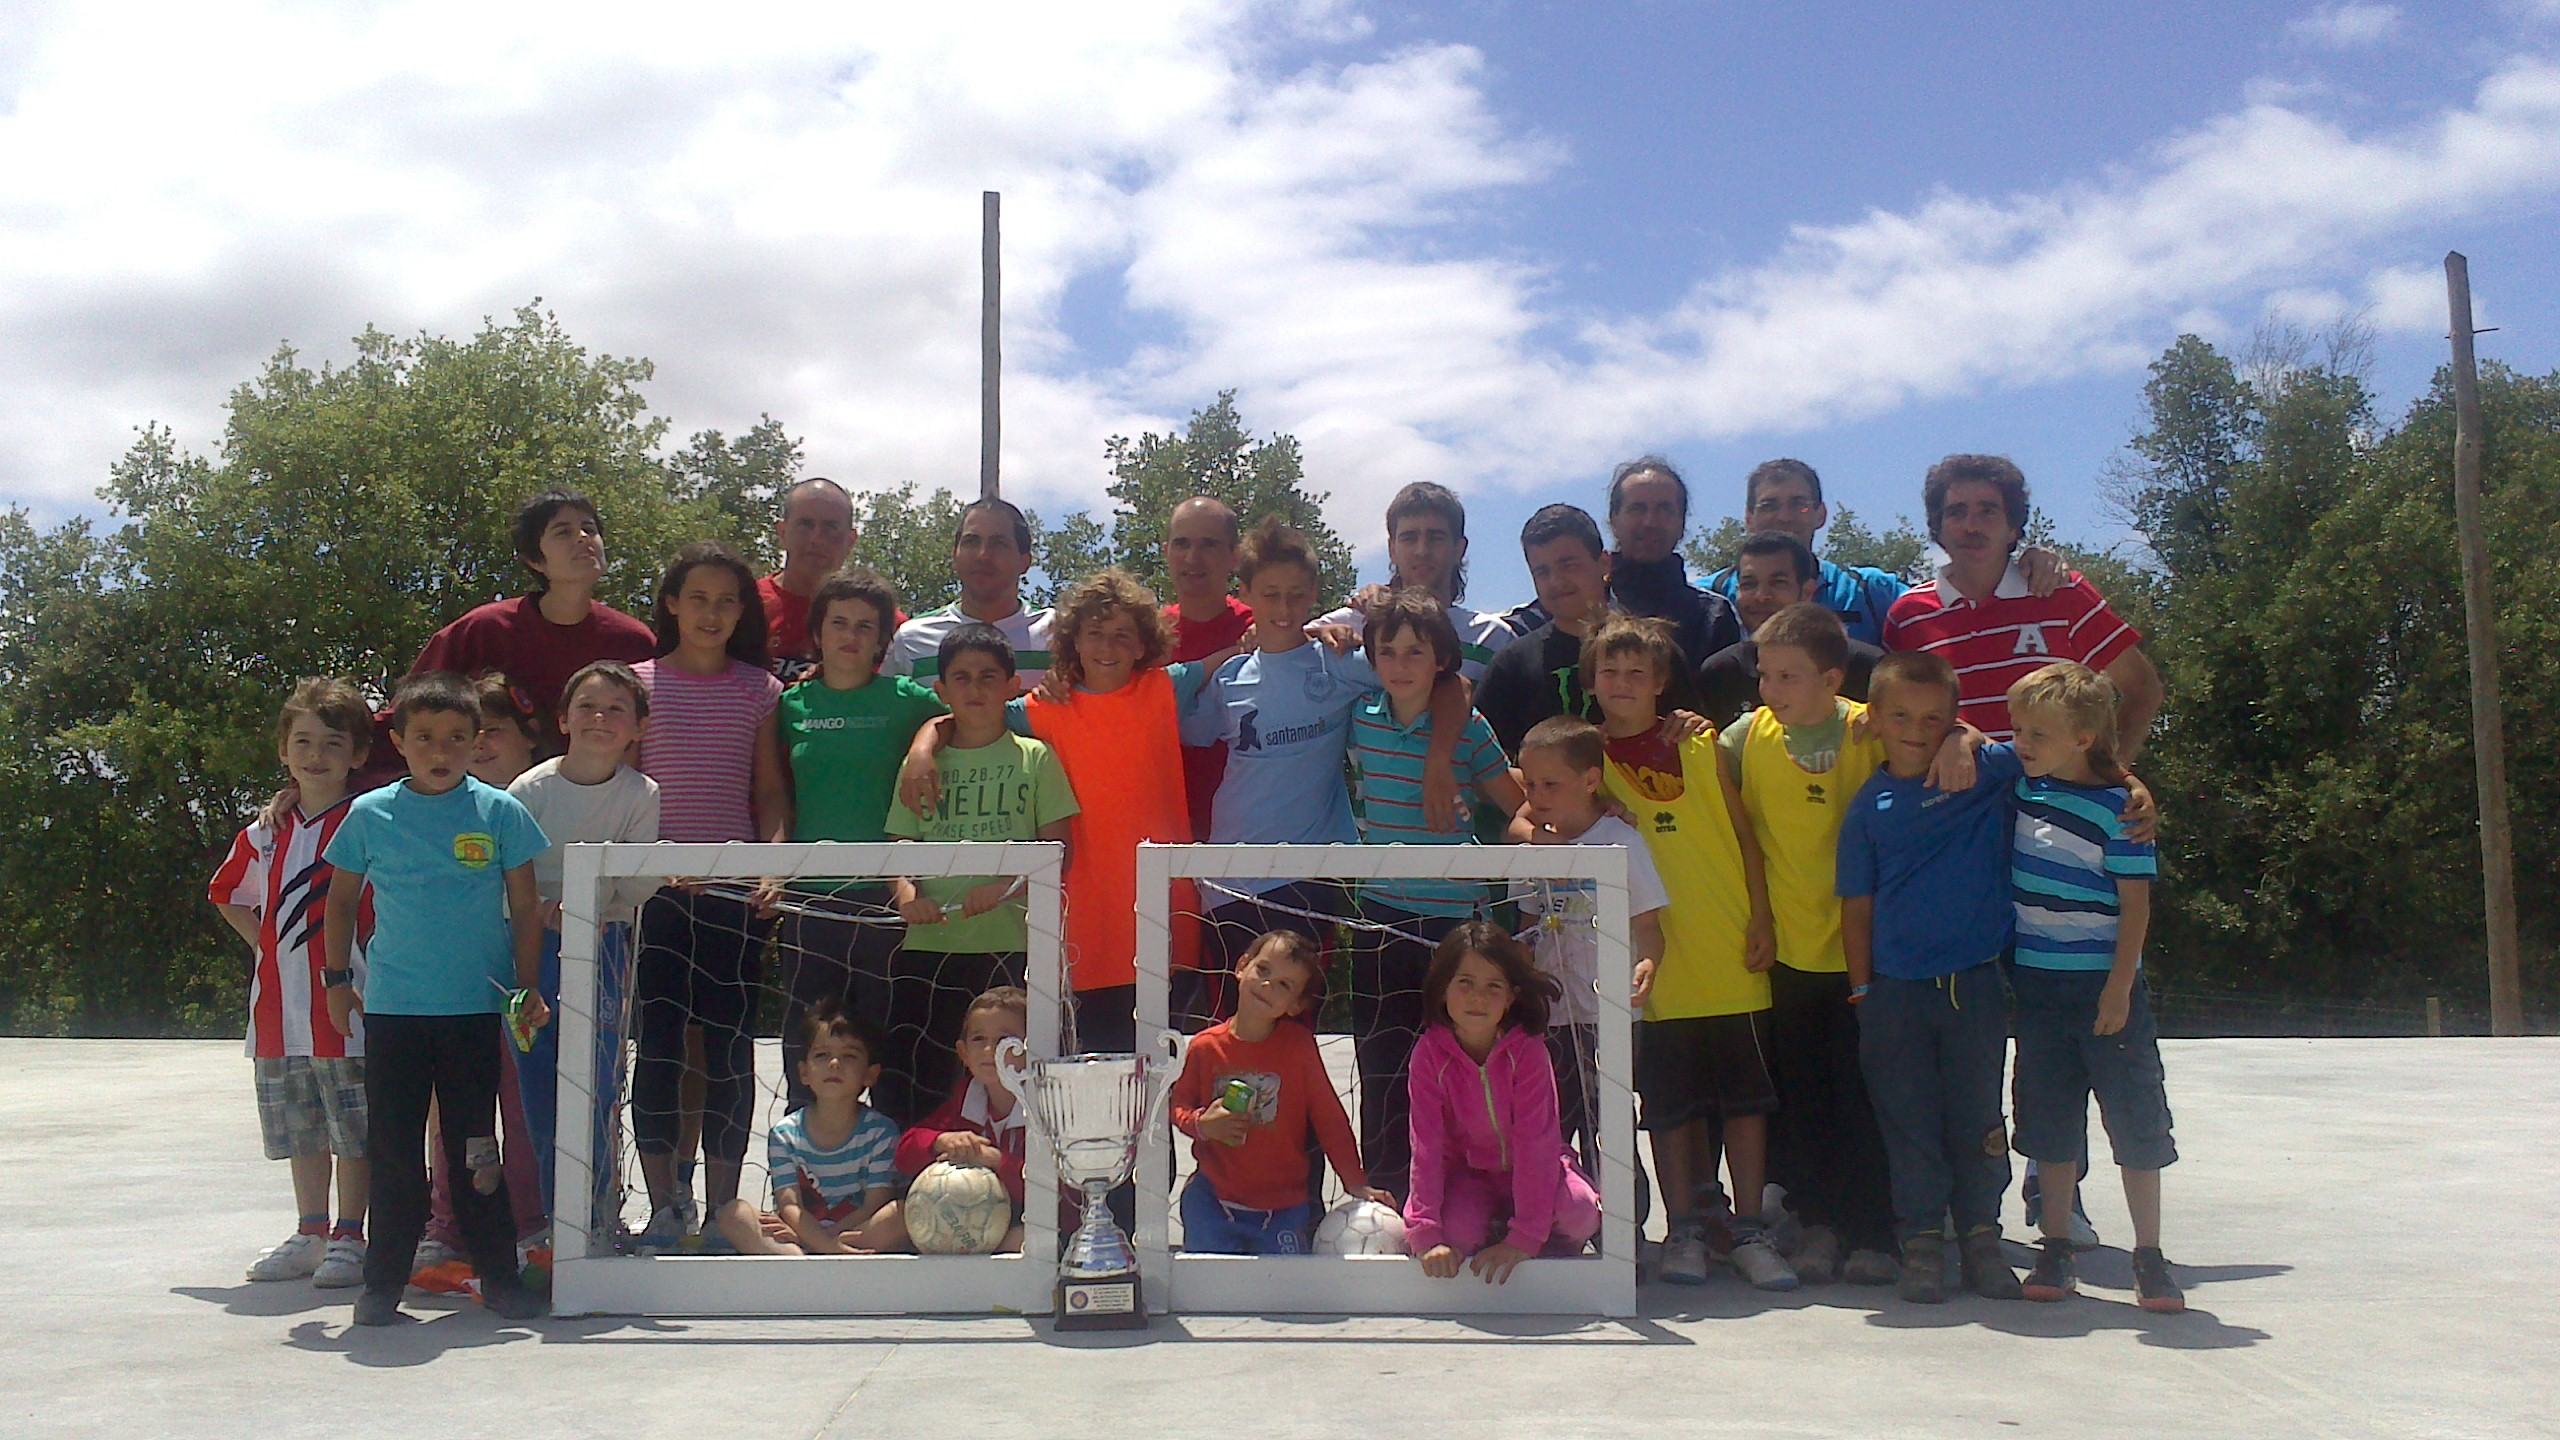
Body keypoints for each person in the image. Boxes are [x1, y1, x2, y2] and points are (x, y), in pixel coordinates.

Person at [1884, 452, 2165, 1241]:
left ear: (2014, 523)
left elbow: (2138, 686)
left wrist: (2116, 781)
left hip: (2065, 847)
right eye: (1956, 511)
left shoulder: (2059, 589)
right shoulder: (1908, 614)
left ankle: (2056, 1196)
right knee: (1981, 1031)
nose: (1971, 524)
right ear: (1936, 523)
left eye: (1988, 510)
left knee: (2077, 1020)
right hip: (1965, 846)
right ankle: (1959, 1204)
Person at [319, 671, 551, 1325]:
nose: (441, 750)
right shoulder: (370, 814)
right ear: (399, 741)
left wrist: (526, 987)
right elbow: (339, 901)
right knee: (393, 1150)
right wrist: (338, 982)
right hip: (395, 1011)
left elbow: (526, 906)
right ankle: (381, 1284)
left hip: (474, 1011)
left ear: (477, 741)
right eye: (424, 738)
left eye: (456, 737)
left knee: (476, 1149)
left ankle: (499, 1276)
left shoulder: (500, 812)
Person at [1580, 619, 1803, 1290]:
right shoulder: (1591, 765)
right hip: (1654, 963)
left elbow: (1745, 834)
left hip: (1731, 948)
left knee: (1745, 1104)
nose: (1621, 685)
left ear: (1660, 683)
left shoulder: (1702, 744)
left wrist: (1761, 915)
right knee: (1670, 1107)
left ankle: (1748, 1228)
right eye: (1608, 672)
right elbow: (1533, 805)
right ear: (1590, 682)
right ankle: (1681, 1229)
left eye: (1635, 673)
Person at [1177, 518, 1466, 1021]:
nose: (1284, 608)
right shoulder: (1230, 677)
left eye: (1296, 595)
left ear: (1313, 592)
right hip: (1229, 877)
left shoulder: (1340, 662)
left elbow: (1448, 686)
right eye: (1270, 595)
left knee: (1292, 1022)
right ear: (1246, 593)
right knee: (1230, 1024)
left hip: (1309, 876)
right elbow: (1182, 728)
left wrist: (1439, 761)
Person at [1836, 651, 2028, 1304]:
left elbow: (2039, 754)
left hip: (1973, 985)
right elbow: (1855, 907)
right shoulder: (1869, 807)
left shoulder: (1983, 771)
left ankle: (1981, 1238)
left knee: (1978, 1118)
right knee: (1908, 1121)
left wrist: (1967, 738)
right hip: (1893, 992)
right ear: (1875, 719)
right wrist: (1862, 990)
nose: (1916, 729)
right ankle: (1921, 1242)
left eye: (1933, 718)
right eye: (1900, 716)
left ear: (1953, 717)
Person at [1719, 603, 1898, 1285]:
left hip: (1867, 953)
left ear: (1833, 677)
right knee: (1805, 1099)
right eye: (1765, 675)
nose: (1771, 689)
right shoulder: (1744, 738)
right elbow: (1678, 759)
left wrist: (1961, 742)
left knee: (1866, 1095)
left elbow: (1948, 735)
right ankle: (1818, 1226)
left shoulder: (1870, 728)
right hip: (1788, 955)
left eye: (1789, 676)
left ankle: (1875, 1232)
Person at [2003, 662, 2184, 1312]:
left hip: (2107, 992)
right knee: (2049, 1122)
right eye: (2017, 728)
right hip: (2039, 988)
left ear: (2083, 738)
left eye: (2037, 733)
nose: (2021, 742)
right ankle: (2055, 1245)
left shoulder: (2119, 811)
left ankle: (2150, 1255)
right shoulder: (2022, 791)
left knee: (2134, 1120)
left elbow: (2135, 907)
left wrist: (2117, 989)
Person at [630, 542, 788, 1241]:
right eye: (698, 598)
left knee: (728, 1050)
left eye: (728, 601)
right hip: (653, 897)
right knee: (659, 1047)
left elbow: (769, 794)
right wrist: (643, 864)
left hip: (733, 899)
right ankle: (666, 1204)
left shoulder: (760, 689)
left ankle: (725, 1205)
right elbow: (619, 791)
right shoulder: (633, 686)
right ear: (671, 603)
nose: (712, 613)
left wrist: (774, 865)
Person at [1345, 591, 1524, 1201]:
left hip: (1452, 923)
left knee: (1458, 1059)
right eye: (1387, 651)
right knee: (1382, 1060)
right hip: (1380, 915)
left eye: (1415, 652)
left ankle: (1466, 1189)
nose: (1399, 664)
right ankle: (1389, 1194)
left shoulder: (1468, 729)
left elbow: (1515, 805)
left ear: (1441, 659)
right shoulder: (1358, 712)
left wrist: (1552, 840)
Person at [212, 678, 376, 1290]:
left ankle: (351, 1235)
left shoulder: (370, 824)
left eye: (333, 743)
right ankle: (310, 1230)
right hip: (279, 1015)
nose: (316, 755)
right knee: (301, 1127)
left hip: (349, 1010)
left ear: (357, 754)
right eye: (302, 741)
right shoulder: (263, 832)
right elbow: (227, 894)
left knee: (353, 1128)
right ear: (283, 749)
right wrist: (266, 950)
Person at [761, 569, 944, 1116]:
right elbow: (775, 798)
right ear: (817, 632)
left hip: (886, 901)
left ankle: (885, 1183)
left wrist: (923, 743)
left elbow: (960, 721)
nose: (851, 635)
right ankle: (803, 1187)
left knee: (882, 1045)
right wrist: (773, 869)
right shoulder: (790, 707)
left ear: (884, 641)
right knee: (809, 1045)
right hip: (811, 901)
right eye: (838, 622)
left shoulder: (907, 699)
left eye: (866, 626)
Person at [885, 624, 1079, 1126]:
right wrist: (907, 895)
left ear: (1013, 686)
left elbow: (1060, 849)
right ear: (942, 690)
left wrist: (1006, 887)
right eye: (962, 678)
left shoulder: (1034, 757)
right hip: (929, 947)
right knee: (926, 1082)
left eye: (988, 677)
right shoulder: (919, 765)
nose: (975, 689)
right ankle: (925, 1191)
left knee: (1011, 1085)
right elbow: (900, 843)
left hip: (1010, 946)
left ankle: (1018, 1192)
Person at [505, 660, 661, 1237]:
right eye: (588, 706)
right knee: (541, 1082)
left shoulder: (641, 794)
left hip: (605, 950)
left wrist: (592, 910)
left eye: (617, 708)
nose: (601, 718)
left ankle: (599, 1214)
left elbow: (637, 884)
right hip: (530, 949)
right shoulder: (531, 789)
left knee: (597, 1082)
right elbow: (510, 872)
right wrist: (543, 913)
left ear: (638, 728)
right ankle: (556, 1220)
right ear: (564, 719)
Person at [1505, 715, 1671, 1256]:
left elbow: (1649, 926)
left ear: (1590, 780)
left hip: (1609, 1017)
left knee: (1612, 1128)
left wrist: (1647, 963)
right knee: (1549, 1126)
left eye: (1551, 784)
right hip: (1550, 1017)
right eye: (1530, 784)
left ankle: (1626, 1235)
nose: (1538, 795)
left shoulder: (1621, 840)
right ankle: (1558, 1223)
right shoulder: (1532, 850)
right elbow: (1526, 927)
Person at [1405, 923, 1604, 1283]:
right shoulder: (1428, 1055)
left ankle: (1537, 1238)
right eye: (1464, 983)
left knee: (1580, 1213)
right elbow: (1427, 1146)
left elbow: (1536, 1142)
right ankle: (1494, 1229)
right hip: (1471, 1175)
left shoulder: (1527, 1052)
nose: (1477, 997)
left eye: (1492, 986)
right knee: (1457, 1235)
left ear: (1511, 996)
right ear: (1443, 990)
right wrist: (1425, 1232)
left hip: (1536, 1169)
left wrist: (1525, 1237)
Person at [1169, 932, 1389, 1254]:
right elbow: (1178, 1105)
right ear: (1242, 966)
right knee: (1212, 1293)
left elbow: (1329, 1118)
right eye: (1264, 970)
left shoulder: (1299, 1047)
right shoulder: (1205, 1047)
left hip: (1284, 1207)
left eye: (1285, 985)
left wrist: (1354, 1181)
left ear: (1295, 1005)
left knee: (1283, 1295)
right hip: (1213, 1200)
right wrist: (1203, 1124)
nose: (1269, 985)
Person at [398, 490, 657, 762]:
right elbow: (410, 711)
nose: (582, 538)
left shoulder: (634, 641)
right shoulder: (483, 629)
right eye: (563, 532)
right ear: (535, 560)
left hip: (603, 798)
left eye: (589, 529)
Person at [1508, 457, 1740, 668]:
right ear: (1613, 520)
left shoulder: (1713, 616)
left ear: (1681, 521)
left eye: (1664, 509)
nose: (1650, 521)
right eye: (1637, 509)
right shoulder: (1566, 602)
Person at [711, 1002, 901, 1256]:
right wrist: (818, 1242)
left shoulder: (881, 1133)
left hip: (853, 1235)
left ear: (870, 1074)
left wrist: (827, 1243)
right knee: (733, 1214)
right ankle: (801, 1263)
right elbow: (790, 1207)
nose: (834, 1063)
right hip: (798, 1237)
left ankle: (805, 1267)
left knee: (900, 1214)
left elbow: (874, 1205)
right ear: (803, 1073)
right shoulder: (785, 1134)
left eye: (849, 1056)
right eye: (821, 1055)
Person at [871, 987, 1031, 1254]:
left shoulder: (1045, 1105)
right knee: (895, 1216)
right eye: (979, 1039)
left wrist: (996, 1161)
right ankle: (831, 1258)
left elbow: (1061, 1194)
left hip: (1025, 1221)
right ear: (963, 1052)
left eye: (1005, 1038)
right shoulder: (967, 1097)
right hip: (962, 1215)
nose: (990, 1049)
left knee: (1024, 1243)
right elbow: (904, 1154)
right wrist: (940, 1141)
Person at [1317, 482, 1518, 683]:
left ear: (1459, 548)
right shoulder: (1350, 623)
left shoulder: (1493, 637)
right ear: (1392, 549)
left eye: (1435, 538)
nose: (1422, 550)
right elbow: (1288, 656)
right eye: (1409, 538)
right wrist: (1318, 635)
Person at [1704, 459, 1908, 646]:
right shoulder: (1709, 597)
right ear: (1749, 518)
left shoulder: (1871, 591)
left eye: (1798, 505)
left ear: (1821, 514)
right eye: (1769, 506)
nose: (1784, 517)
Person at [1696, 531, 1880, 729]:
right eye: (1749, 584)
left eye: (1778, 583)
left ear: (1807, 591)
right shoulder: (1721, 674)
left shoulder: (1866, 668)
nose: (1761, 596)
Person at [1475, 503, 1613, 754]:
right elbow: (1482, 763)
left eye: (1568, 565)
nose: (1556, 582)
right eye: (1542, 572)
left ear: (1604, 563)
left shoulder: (1649, 647)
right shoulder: (1512, 666)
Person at [885, 498, 1055, 693]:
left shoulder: (1059, 635)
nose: (983, 555)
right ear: (954, 556)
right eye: (971, 542)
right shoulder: (911, 640)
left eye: (999, 544)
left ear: (1025, 561)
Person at [1162, 496, 1256, 839]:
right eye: (1182, 544)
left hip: (1250, 839)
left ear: (1234, 556)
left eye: (1209, 545)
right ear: (1166, 551)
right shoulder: (1141, 639)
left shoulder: (1264, 628)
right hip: (1162, 835)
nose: (1192, 558)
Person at [757, 476, 859, 665]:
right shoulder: (745, 605)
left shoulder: (878, 620)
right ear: (782, 532)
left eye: (831, 527)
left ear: (851, 540)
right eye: (805, 524)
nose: (817, 539)